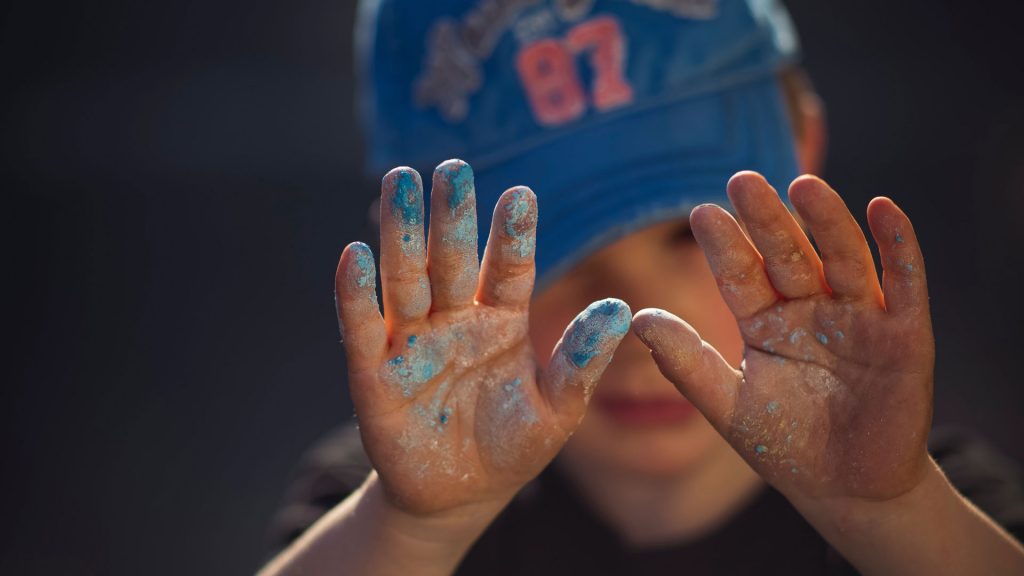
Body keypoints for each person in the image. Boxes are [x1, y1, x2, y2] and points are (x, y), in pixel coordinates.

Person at [260, 1, 1024, 574]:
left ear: (805, 153)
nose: (637, 322)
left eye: (690, 235)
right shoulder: (385, 515)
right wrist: (417, 529)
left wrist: (889, 516)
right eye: (547, 247)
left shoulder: (933, 511)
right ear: (425, 258)